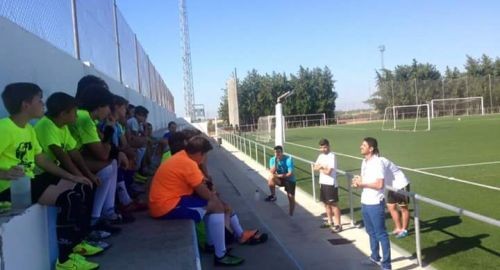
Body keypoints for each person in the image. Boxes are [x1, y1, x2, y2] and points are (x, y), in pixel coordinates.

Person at [0, 83, 98, 270]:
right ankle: (65, 259)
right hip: (9, 189)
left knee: (82, 186)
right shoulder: (4, 128)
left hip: (27, 182)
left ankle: (80, 243)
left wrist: (72, 176)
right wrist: (3, 173)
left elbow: (42, 161)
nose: (43, 105)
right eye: (39, 100)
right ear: (25, 105)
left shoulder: (28, 129)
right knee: (69, 198)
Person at [149, 135, 245, 266]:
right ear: (200, 154)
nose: (205, 159)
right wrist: (216, 197)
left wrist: (212, 192)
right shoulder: (188, 163)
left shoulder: (183, 156)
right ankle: (220, 255)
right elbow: (207, 194)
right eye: (205, 155)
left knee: (214, 205)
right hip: (165, 206)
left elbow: (204, 184)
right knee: (216, 207)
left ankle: (212, 244)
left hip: (169, 200)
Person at [35, 92, 110, 255]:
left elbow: (73, 151)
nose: (76, 115)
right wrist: (77, 176)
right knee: (74, 194)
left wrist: (87, 175)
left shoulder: (61, 126)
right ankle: (70, 247)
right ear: (63, 114)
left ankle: (85, 236)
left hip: (52, 173)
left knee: (85, 187)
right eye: (74, 112)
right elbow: (62, 155)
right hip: (42, 175)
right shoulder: (46, 124)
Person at [352, 137, 391, 270]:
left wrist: (363, 183)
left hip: (375, 203)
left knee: (381, 234)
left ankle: (386, 265)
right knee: (370, 232)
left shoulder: (378, 162)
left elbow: (379, 184)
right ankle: (375, 257)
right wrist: (358, 181)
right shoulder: (364, 162)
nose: (360, 146)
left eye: (363, 145)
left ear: (371, 148)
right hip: (365, 202)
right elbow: (366, 180)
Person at [313, 138, 342, 232]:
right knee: (326, 204)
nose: (323, 149)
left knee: (333, 204)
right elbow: (314, 167)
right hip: (323, 183)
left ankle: (338, 225)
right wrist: (322, 168)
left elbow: (329, 172)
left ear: (328, 146)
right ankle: (330, 222)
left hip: (331, 184)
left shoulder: (331, 156)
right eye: (321, 148)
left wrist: (321, 167)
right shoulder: (321, 156)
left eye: (325, 147)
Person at [380, 157, 410, 239]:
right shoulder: (373, 163)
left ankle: (404, 230)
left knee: (403, 208)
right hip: (391, 186)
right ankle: (398, 228)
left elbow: (380, 180)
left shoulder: (381, 162)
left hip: (401, 184)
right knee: (391, 206)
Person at [264, 145, 296, 216]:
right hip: (280, 179)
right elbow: (272, 172)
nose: (277, 154)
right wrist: (275, 163)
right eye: (275, 152)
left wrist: (277, 175)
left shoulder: (288, 160)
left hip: (289, 180)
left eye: (278, 152)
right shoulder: (273, 159)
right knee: (271, 177)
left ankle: (291, 214)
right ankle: (273, 196)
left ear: (282, 152)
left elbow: (290, 174)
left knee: (290, 197)